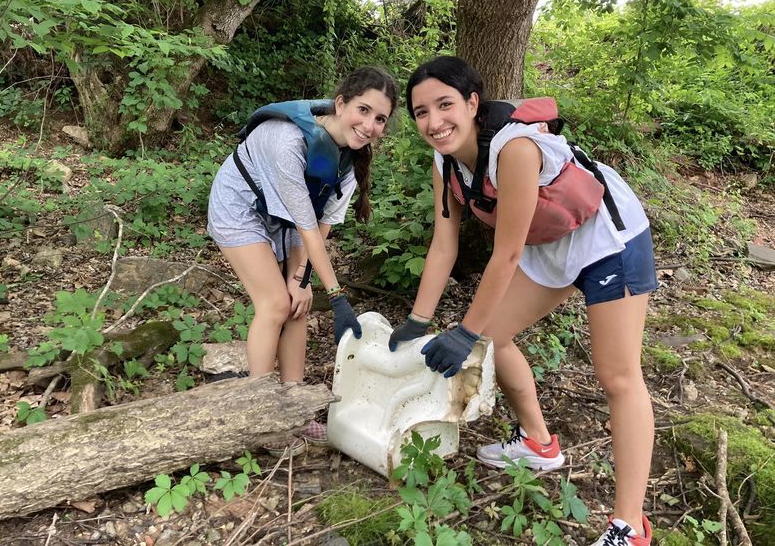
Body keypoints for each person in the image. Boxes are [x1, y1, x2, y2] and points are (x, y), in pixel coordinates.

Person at [389, 56, 657, 546]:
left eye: (445, 105)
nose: (434, 122)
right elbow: (443, 244)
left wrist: (463, 332)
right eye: (421, 112)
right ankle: (538, 443)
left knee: (617, 375)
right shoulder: (444, 161)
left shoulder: (513, 147)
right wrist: (417, 320)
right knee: (495, 336)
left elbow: (507, 252)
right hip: (549, 244)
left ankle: (630, 526)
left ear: (472, 103)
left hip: (606, 238)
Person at [207, 66, 398, 443]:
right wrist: (338, 298)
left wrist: (303, 280)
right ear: (340, 103)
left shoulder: (349, 158)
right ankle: (262, 419)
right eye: (363, 110)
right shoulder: (287, 141)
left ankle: (293, 410)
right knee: (275, 304)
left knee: (298, 304)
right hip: (240, 207)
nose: (369, 125)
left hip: (289, 220)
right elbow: (308, 230)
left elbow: (320, 225)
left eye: (380, 119)